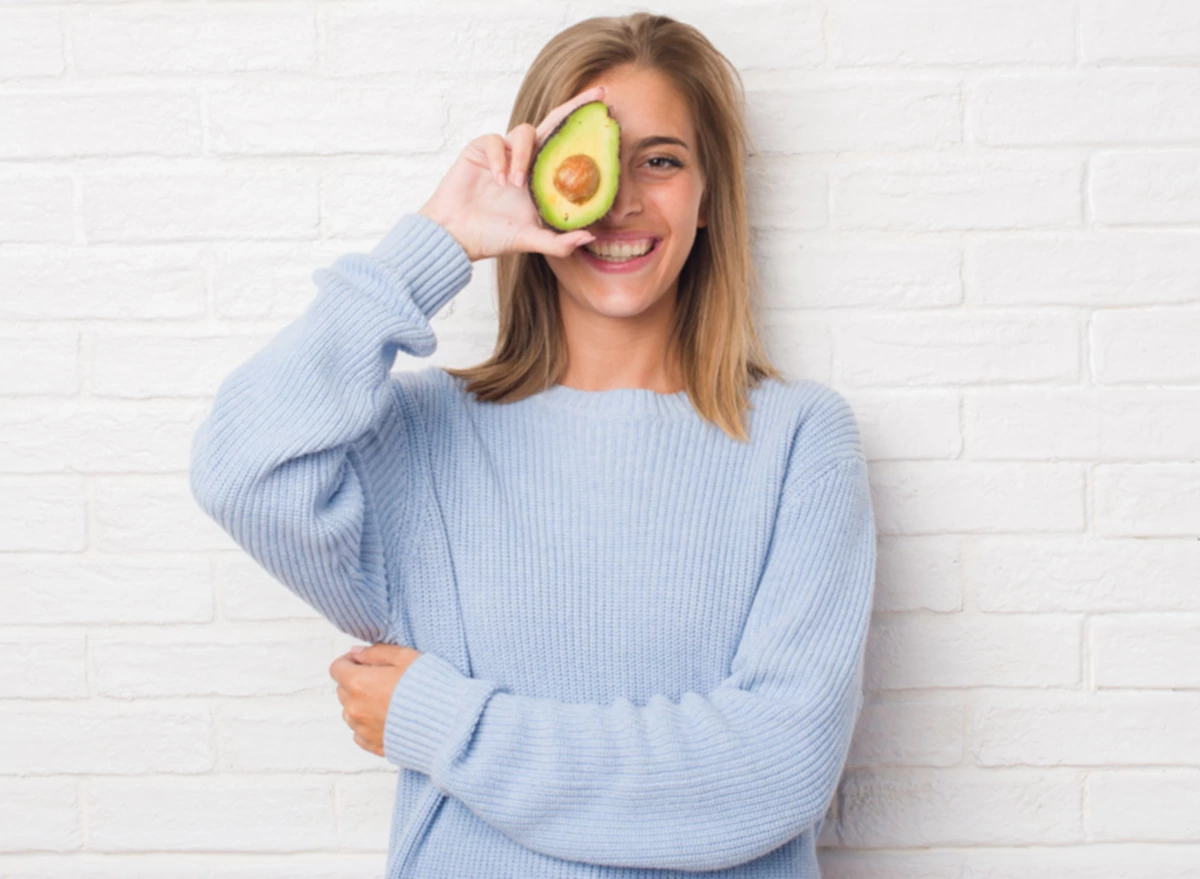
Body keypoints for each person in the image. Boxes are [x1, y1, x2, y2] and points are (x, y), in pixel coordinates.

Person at [189, 12, 877, 878]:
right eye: (588, 160)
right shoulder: (419, 439)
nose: (620, 197)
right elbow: (240, 467)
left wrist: (444, 722)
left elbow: (777, 767)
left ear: (709, 200)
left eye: (661, 161)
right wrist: (437, 240)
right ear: (533, 179)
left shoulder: (797, 440)